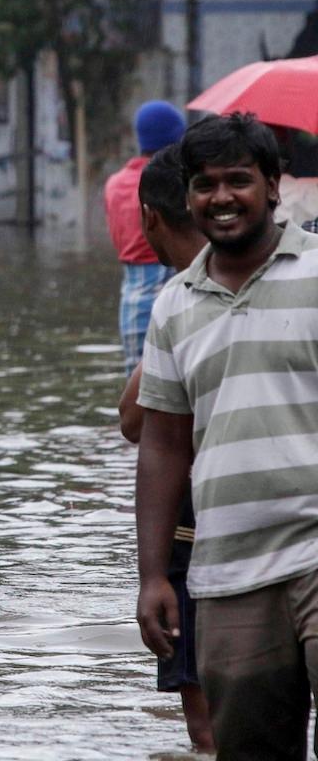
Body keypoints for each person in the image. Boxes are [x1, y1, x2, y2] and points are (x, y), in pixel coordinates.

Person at [135, 113, 318, 757]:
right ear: (186, 197)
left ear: (272, 186)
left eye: (238, 180)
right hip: (229, 570)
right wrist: (153, 576)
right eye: (205, 184)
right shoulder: (174, 305)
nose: (221, 198)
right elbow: (161, 444)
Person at [115, 146, 214, 754]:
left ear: (150, 218)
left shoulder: (186, 295)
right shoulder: (186, 295)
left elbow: (132, 420)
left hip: (195, 530)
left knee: (207, 726)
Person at [104, 100, 186, 375]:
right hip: (169, 282)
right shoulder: (171, 180)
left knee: (137, 377)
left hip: (131, 293)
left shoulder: (114, 184)